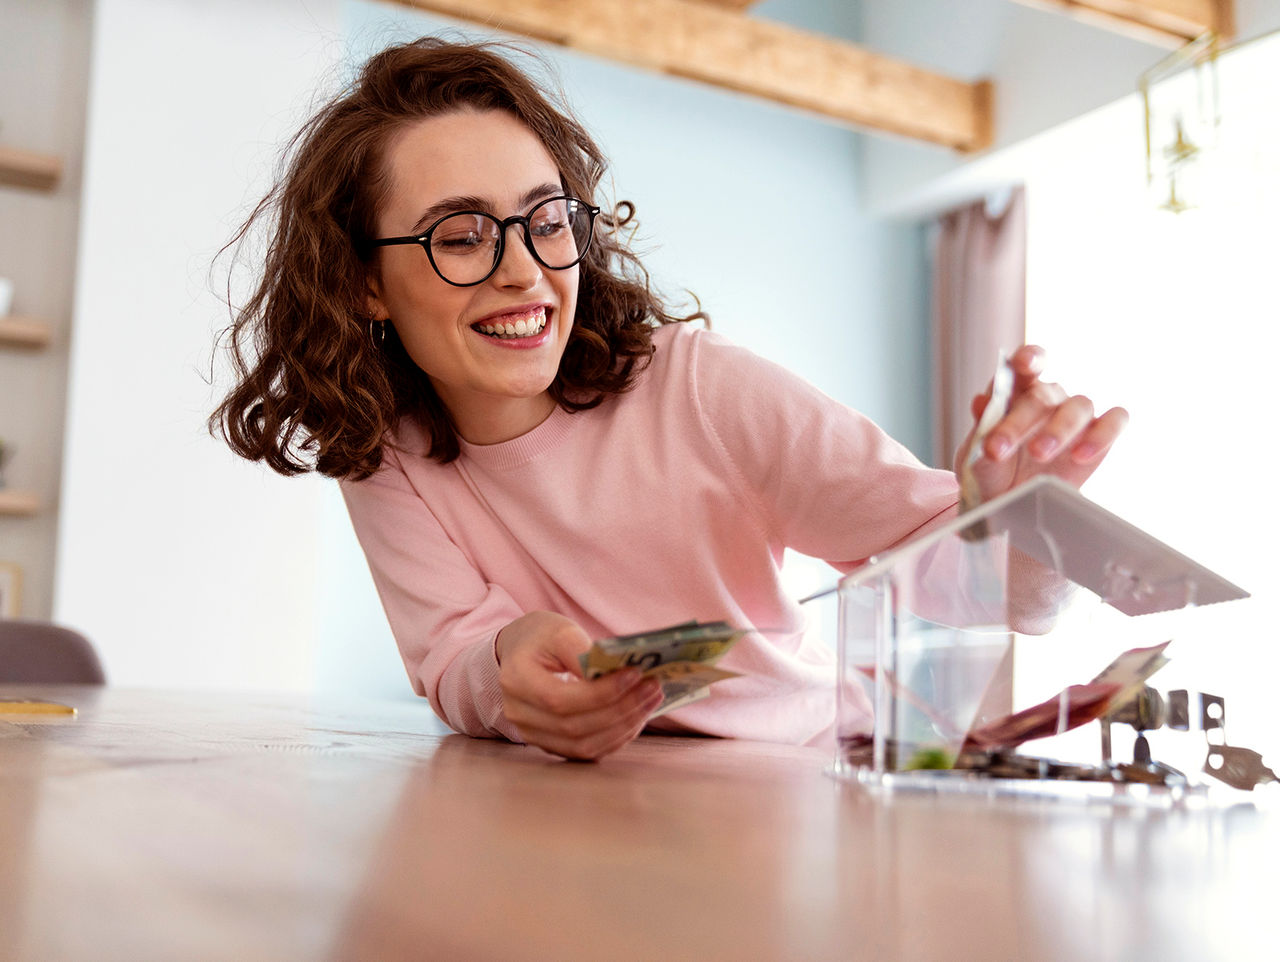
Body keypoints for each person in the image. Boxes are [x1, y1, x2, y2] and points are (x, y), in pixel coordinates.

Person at [211, 36, 1127, 761]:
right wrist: (506, 671)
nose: (525, 272)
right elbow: (451, 656)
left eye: (544, 219)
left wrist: (1027, 522)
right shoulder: (384, 448)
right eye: (459, 237)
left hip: (798, 791)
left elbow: (1003, 598)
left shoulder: (702, 389)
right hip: (580, 820)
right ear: (364, 281)